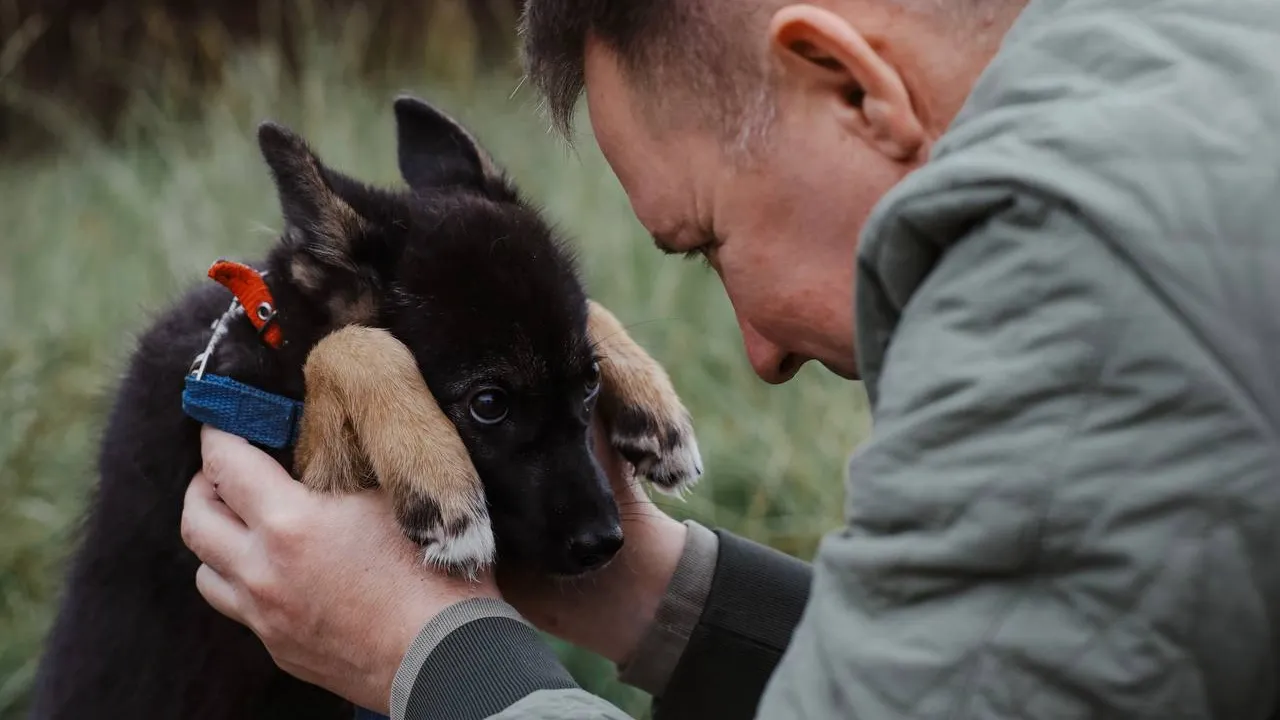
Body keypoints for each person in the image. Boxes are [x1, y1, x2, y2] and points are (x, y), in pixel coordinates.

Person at [179, 0, 1280, 717]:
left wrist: (431, 652)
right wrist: (654, 594)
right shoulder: (1199, 64)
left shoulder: (1068, 289)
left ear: (847, 85)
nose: (755, 355)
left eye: (707, 244)